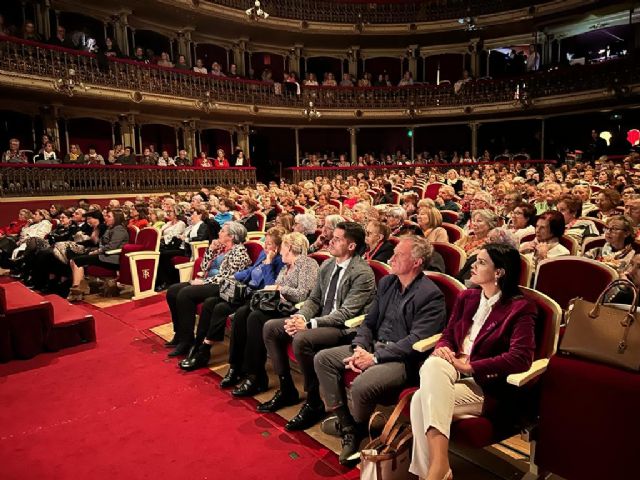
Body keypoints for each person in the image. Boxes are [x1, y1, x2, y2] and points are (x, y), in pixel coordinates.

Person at [315, 236, 447, 465]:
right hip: (373, 347)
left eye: (399, 255)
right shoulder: (387, 283)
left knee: (362, 385)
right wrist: (359, 348)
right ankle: (348, 424)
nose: (391, 258)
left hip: (402, 359)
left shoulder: (431, 295)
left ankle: (357, 429)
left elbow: (416, 340)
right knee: (323, 359)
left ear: (416, 262)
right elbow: (369, 322)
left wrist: (374, 358)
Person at [409, 243, 536, 480]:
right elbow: (447, 335)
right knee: (435, 364)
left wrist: (471, 366)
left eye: (481, 262)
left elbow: (521, 357)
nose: (473, 266)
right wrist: (443, 348)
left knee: (419, 399)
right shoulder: (467, 297)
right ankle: (438, 468)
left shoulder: (520, 308)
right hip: (452, 374)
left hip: (487, 385)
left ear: (499, 272)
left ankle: (433, 471)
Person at [260, 222, 376, 432]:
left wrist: (309, 324)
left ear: (351, 246)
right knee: (271, 327)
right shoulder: (328, 265)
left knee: (302, 338)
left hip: (344, 328)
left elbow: (346, 313)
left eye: (338, 238)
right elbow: (313, 300)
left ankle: (313, 401)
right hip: (321, 321)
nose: (331, 241)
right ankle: (287, 388)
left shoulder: (362, 273)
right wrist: (299, 318)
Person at [178, 227, 286, 371]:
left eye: (269, 244)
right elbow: (250, 270)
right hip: (244, 290)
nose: (265, 247)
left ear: (278, 247)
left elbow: (269, 286)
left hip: (256, 297)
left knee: (221, 308)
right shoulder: (263, 253)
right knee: (210, 303)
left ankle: (210, 353)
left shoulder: (279, 261)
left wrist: (268, 263)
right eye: (265, 243)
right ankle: (199, 347)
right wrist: (233, 277)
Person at [164, 221, 251, 356]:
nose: (218, 233)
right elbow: (204, 267)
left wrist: (204, 282)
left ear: (232, 236)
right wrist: (211, 249)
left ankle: (187, 341)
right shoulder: (221, 248)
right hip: (207, 281)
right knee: (172, 291)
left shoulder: (240, 252)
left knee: (185, 294)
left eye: (222, 231)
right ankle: (179, 333)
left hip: (220, 286)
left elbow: (228, 277)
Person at [67, 210, 129, 301]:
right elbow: (101, 243)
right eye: (106, 216)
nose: (105, 218)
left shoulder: (119, 229)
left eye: (109, 216)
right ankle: (78, 288)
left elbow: (111, 247)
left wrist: (97, 251)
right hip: (105, 255)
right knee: (75, 260)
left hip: (112, 258)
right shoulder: (111, 228)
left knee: (76, 261)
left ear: (116, 218)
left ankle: (77, 290)